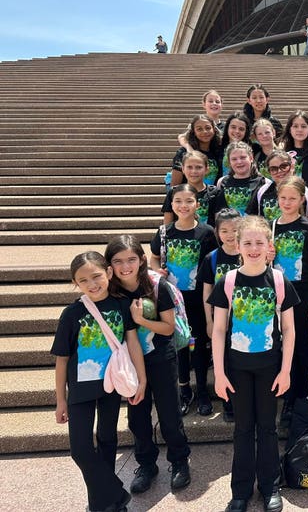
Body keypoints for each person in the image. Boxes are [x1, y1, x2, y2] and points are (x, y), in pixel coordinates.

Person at [209, 216, 299, 512]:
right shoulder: (228, 281)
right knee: (243, 429)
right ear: (237, 246)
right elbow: (219, 329)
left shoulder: (278, 280)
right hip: (236, 368)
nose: (253, 248)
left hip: (270, 367)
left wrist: (286, 370)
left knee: (268, 428)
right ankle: (241, 490)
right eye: (247, 242)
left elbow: (289, 329)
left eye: (259, 242)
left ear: (269, 246)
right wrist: (219, 374)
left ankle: (271, 486)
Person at [52, 251, 146, 512]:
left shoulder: (121, 305)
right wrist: (61, 400)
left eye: (96, 276)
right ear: (76, 283)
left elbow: (133, 343)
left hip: (111, 384)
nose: (92, 284)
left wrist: (141, 380)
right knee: (80, 450)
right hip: (80, 388)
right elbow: (61, 359)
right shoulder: (72, 313)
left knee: (107, 441)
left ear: (108, 273)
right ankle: (115, 491)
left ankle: (102, 503)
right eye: (84, 280)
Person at [105, 235, 192, 493]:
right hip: (129, 362)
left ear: (142, 260)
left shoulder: (156, 287)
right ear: (110, 265)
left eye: (131, 259)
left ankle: (179, 461)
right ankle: (146, 464)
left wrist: (141, 320)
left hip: (160, 357)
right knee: (137, 417)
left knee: (169, 414)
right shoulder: (109, 290)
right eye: (118, 261)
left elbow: (168, 327)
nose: (125, 266)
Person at [150, 184, 218, 417]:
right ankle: (183, 389)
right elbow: (154, 258)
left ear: (197, 204)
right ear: (172, 204)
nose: (183, 206)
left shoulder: (207, 232)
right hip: (173, 300)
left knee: (198, 346)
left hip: (198, 298)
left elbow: (212, 265)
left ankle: (202, 391)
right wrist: (157, 271)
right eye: (178, 201)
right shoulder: (164, 232)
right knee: (179, 345)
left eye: (189, 201)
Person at [270, 176, 308, 423]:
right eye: (283, 198)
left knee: (301, 344)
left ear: (302, 200)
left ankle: (302, 393)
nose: (287, 202)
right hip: (278, 293)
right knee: (282, 345)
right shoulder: (271, 227)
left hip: (302, 293)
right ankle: (287, 394)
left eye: (292, 198)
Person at [197, 208, 243, 422]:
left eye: (235, 229)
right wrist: (209, 320)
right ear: (217, 232)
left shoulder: (248, 254)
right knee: (223, 361)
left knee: (240, 361)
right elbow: (206, 291)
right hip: (220, 320)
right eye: (224, 230)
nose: (230, 234)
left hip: (245, 319)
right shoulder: (212, 258)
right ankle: (229, 404)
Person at [246, 150, 308, 223]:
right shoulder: (262, 191)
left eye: (284, 166)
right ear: (269, 172)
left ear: (292, 166)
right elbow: (251, 220)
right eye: (273, 169)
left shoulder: (304, 191)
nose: (279, 171)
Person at [280, 111, 308, 223]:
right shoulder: (282, 153)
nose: (299, 130)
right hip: (287, 204)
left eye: (303, 126)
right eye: (295, 126)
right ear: (289, 129)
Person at [209, 142, 264, 219]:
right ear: (229, 162)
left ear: (251, 158)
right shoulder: (222, 181)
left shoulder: (263, 182)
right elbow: (218, 212)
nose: (239, 162)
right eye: (234, 159)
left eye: (243, 157)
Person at [162, 150, 214, 225]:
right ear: (183, 169)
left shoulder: (215, 192)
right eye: (189, 167)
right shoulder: (174, 192)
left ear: (206, 169)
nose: (194, 171)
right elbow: (167, 224)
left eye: (198, 167)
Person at [170, 114, 223, 187]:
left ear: (214, 129)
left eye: (208, 128)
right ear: (194, 132)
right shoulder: (184, 153)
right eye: (199, 129)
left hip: (210, 196)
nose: (204, 131)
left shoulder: (217, 151)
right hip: (188, 196)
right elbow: (174, 186)